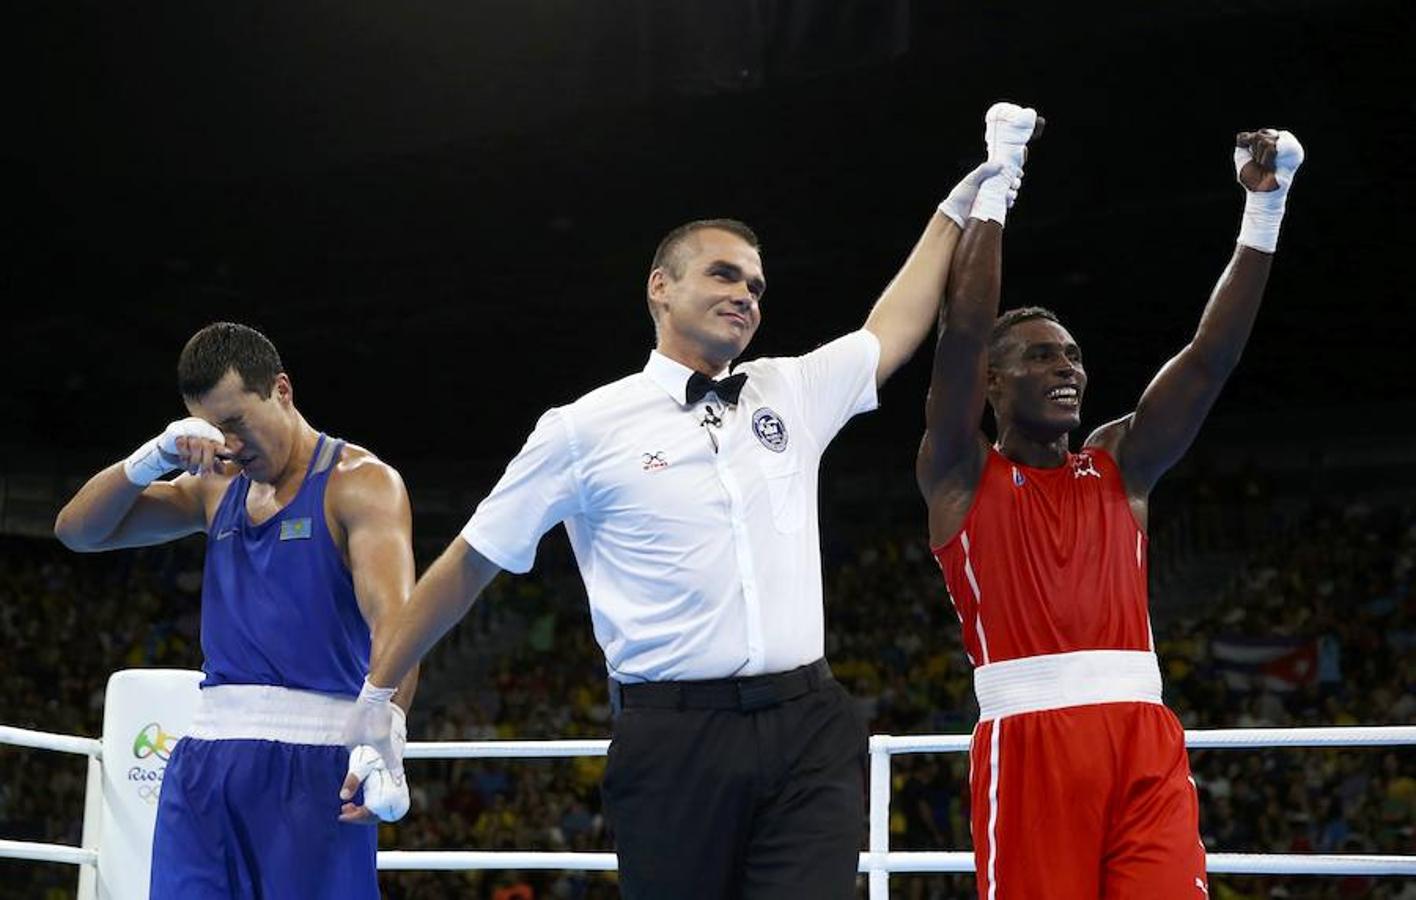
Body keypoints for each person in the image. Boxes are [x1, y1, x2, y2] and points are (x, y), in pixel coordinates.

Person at [341, 132, 1020, 898]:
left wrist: (952, 213)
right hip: (673, 740)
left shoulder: (787, 389)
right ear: (660, 286)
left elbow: (890, 329)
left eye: (758, 287)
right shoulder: (581, 428)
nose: (746, 296)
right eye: (725, 275)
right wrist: (377, 702)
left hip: (809, 726)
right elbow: (467, 565)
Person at [917, 106, 1304, 898]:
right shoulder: (961, 473)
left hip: (1142, 737)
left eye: (1074, 355)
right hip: (1030, 747)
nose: (1068, 367)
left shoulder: (1120, 465)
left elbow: (1209, 360)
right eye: (1039, 355)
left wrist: (1265, 208)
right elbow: (960, 332)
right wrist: (1000, 179)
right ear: (992, 383)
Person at [54, 322, 419, 899]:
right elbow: (78, 533)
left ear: (281, 390)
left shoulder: (360, 483)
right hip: (203, 766)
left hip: (315, 767)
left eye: (236, 423)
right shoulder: (214, 486)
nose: (227, 444)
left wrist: (383, 738)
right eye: (210, 428)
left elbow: (396, 624)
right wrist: (151, 458)